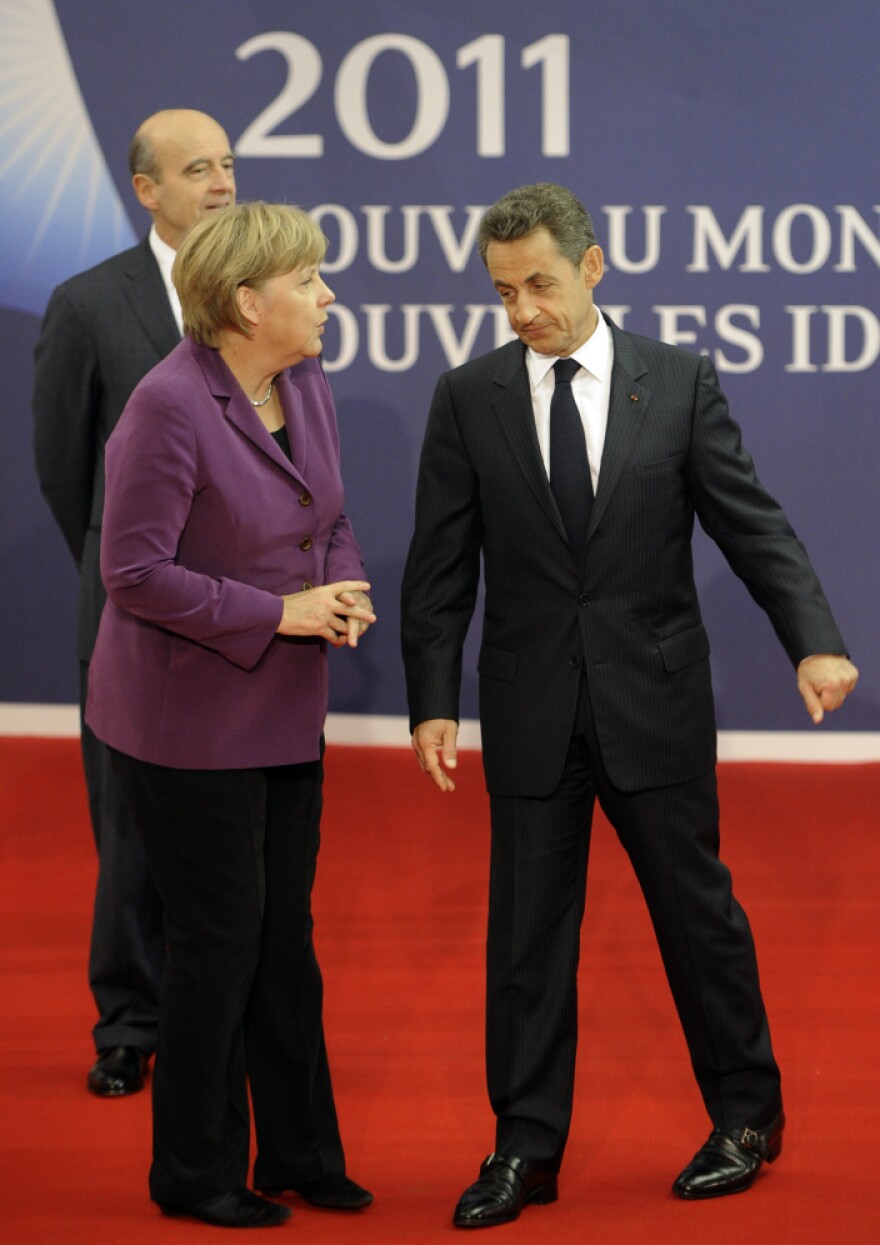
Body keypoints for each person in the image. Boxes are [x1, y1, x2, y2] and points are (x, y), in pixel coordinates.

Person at [400, 183, 858, 1228]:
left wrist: (814, 640)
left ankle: (746, 1117)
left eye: (540, 286)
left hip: (651, 701)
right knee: (524, 942)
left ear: (592, 268)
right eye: (503, 292)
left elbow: (753, 525)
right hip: (528, 709)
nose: (522, 311)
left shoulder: (680, 383)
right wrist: (432, 698)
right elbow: (437, 569)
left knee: (698, 921)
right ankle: (524, 1145)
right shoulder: (467, 396)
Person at [84, 200, 376, 1228]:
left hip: (283, 709)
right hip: (185, 722)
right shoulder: (166, 405)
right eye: (309, 281)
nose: (328, 294)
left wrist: (338, 589)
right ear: (248, 302)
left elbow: (326, 517)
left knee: (282, 938)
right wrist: (280, 611)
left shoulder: (303, 380)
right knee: (219, 941)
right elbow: (132, 573)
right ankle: (196, 1174)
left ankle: (299, 1155)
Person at [32, 108, 236, 1097]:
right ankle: (128, 1021)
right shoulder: (88, 303)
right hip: (126, 620)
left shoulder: (261, 294)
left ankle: (223, 1016)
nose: (221, 183)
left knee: (227, 834)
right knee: (127, 833)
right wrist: (124, 573)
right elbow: (65, 470)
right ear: (145, 189)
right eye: (198, 169)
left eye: (228, 165)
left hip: (241, 625)